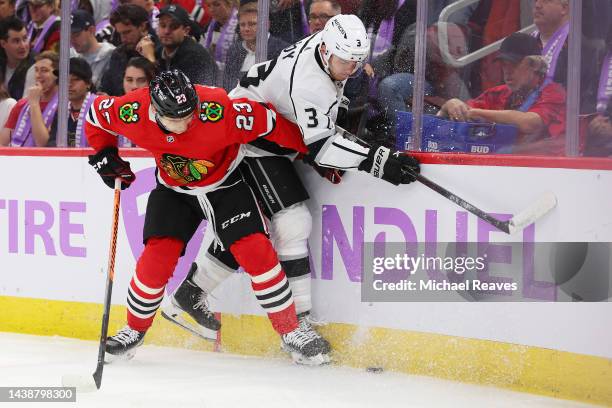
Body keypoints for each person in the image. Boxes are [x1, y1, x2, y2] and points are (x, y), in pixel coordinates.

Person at [162, 15, 421, 365]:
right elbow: (322, 147)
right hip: (250, 138)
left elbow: (318, 125)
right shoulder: (310, 82)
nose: (352, 68)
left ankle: (189, 296)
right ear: (327, 49)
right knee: (292, 222)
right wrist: (378, 160)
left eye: (358, 61)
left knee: (249, 231)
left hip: (267, 134)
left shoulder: (328, 51)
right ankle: (297, 327)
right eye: (346, 61)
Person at [86, 70, 324, 362]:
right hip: (173, 190)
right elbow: (95, 115)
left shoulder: (220, 110)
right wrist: (103, 154)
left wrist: (315, 154)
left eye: (190, 113)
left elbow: (272, 123)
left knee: (256, 252)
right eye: (176, 119)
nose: (187, 123)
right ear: (155, 110)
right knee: (156, 259)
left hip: (225, 186)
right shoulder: (132, 111)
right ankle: (133, 330)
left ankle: (290, 331)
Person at [438, 33, 567, 155]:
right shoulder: (499, 93)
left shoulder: (554, 93)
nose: (507, 71)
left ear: (534, 65)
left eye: (514, 64)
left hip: (548, 171)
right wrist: (450, 104)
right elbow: (462, 110)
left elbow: (530, 123)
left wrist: (477, 113)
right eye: (504, 65)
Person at [135, 4, 217, 86]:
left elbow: (170, 90)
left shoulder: (194, 55)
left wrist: (151, 59)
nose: (166, 31)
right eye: (163, 25)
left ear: (186, 31)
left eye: (173, 27)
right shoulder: (161, 47)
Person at [222, 0, 287, 91]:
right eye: (242, 25)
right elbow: (227, 86)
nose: (246, 29)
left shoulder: (282, 50)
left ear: (266, 24)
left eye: (252, 24)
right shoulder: (234, 51)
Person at [99, 4, 153, 96]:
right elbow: (107, 88)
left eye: (127, 32)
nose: (123, 39)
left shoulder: (162, 50)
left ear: (143, 26)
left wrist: (151, 58)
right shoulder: (118, 54)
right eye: (120, 34)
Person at [70, 9, 115, 90]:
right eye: (69, 36)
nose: (72, 40)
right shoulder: (69, 55)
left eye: (76, 35)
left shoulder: (110, 55)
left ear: (91, 30)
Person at [0, 15, 35, 100]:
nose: (23, 46)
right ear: (3, 44)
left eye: (25, 38)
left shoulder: (35, 65)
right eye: (16, 41)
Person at [64, 57, 96, 147]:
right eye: (66, 79)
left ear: (88, 84)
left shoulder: (99, 109)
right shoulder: (61, 110)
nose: (70, 84)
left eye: (76, 79)